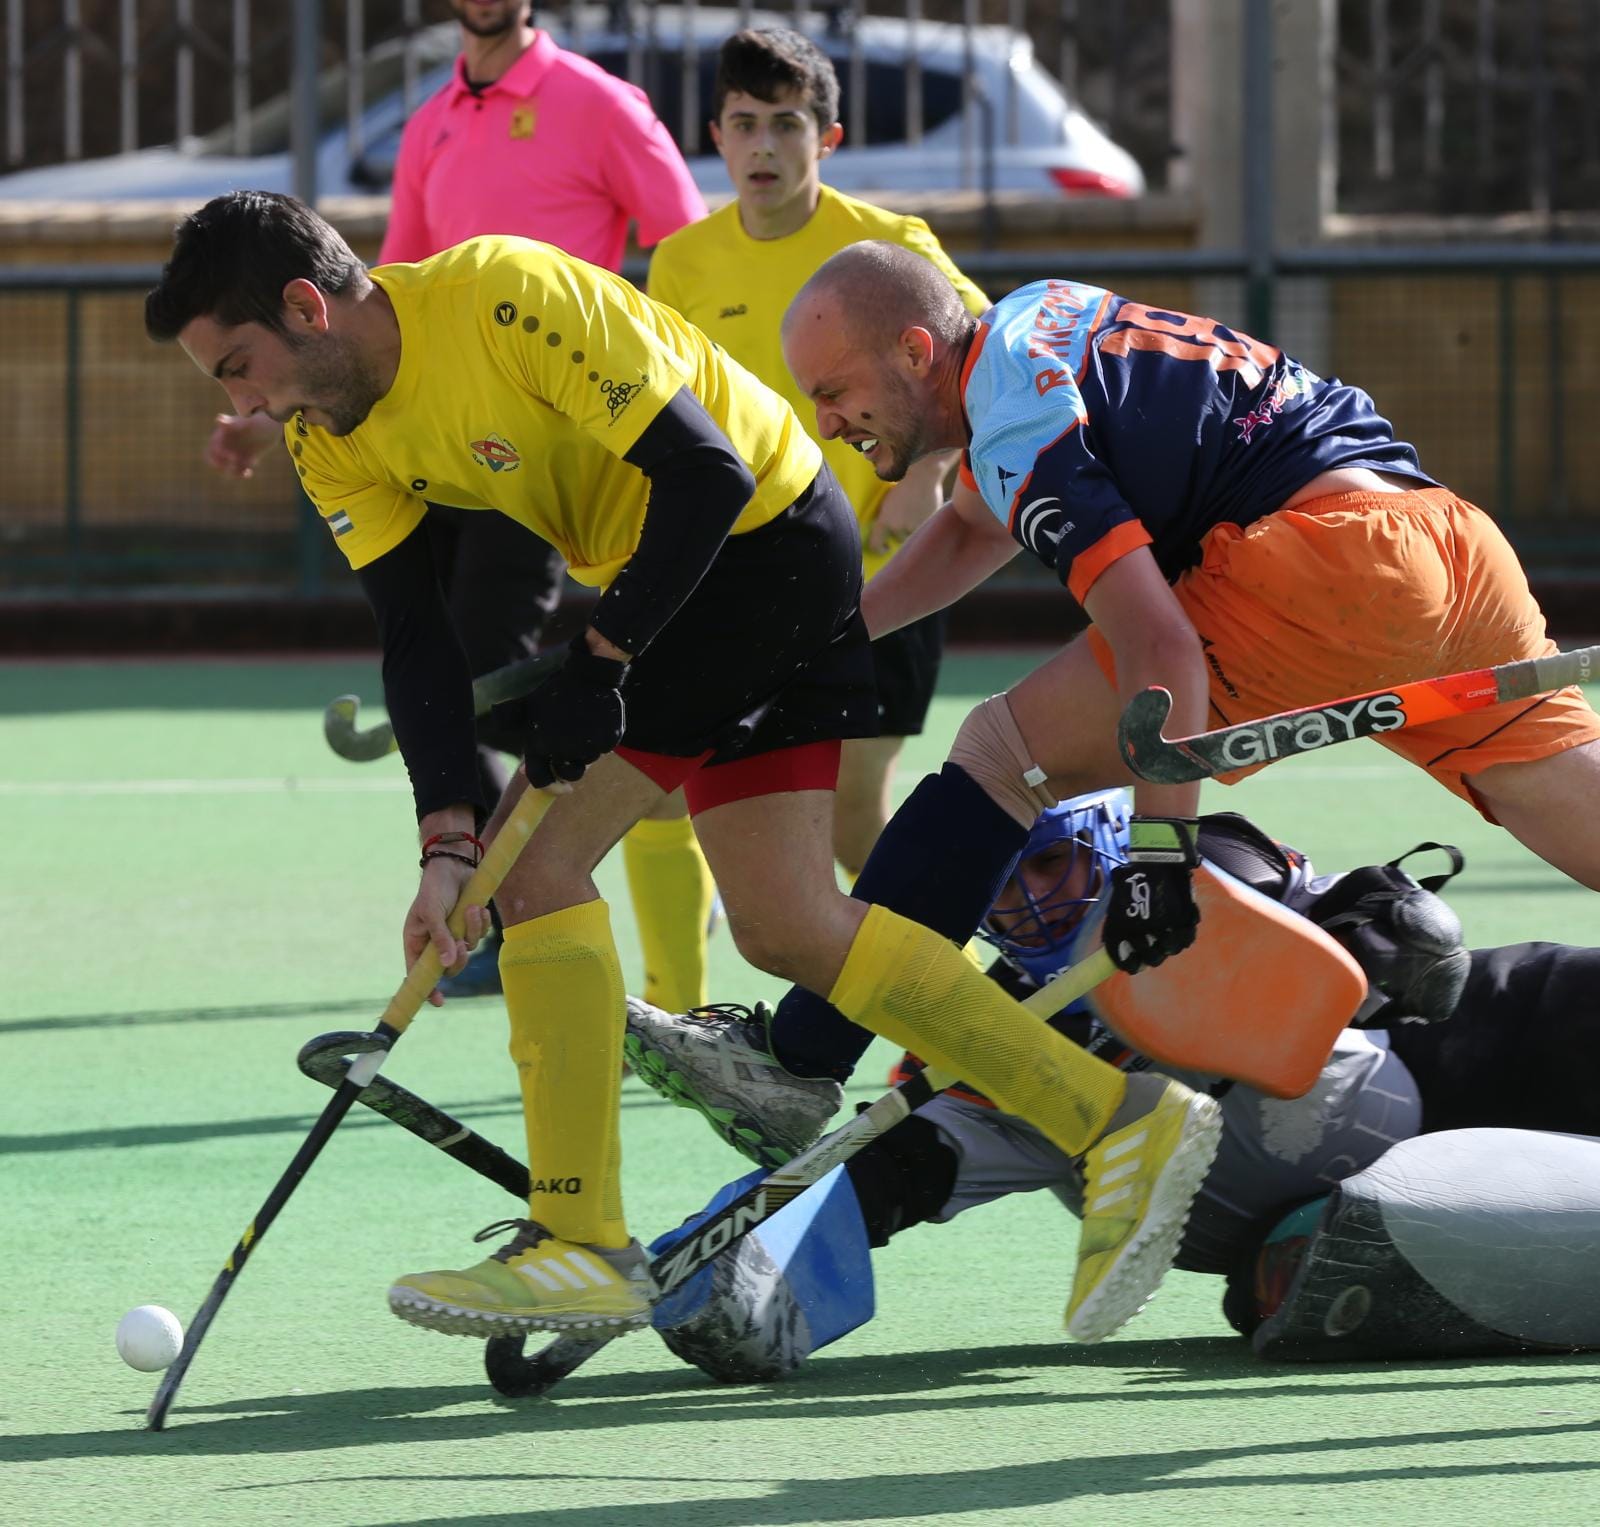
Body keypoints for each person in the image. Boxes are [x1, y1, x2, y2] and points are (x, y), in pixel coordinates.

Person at [145, 191, 1224, 1346]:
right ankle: (1115, 1118)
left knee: (539, 871)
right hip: (703, 577)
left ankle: (578, 1244)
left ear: (308, 306)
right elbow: (415, 642)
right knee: (790, 925)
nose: (246, 404)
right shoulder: (328, 437)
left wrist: (602, 661)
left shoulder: (502, 295)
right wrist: (441, 847)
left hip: (759, 545)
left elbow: (702, 473)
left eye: (240, 367)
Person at [617, 238, 1600, 1170]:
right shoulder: (1041, 320)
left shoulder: (1013, 425)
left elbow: (1159, 644)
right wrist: (818, 644)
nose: (828, 423)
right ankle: (798, 1055)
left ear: (916, 352)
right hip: (1446, 550)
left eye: (834, 392)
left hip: (1318, 571)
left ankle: (795, 1062)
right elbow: (969, 529)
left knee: (1002, 752)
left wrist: (1159, 855)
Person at [640, 796, 1600, 1382]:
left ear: (1105, 839)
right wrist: (755, 1267)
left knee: (1571, 996)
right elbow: (895, 1171)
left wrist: (1404, 928)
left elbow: (1394, 935)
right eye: (999, 884)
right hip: (1314, 1224)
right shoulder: (989, 1033)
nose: (1025, 901)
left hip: (1439, 1076)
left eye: (1049, 861)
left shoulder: (1209, 868)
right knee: (1337, 1256)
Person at [204, 0, 714, 1010]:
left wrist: (669, 407)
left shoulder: (601, 104)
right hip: (436, 439)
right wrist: (271, 412)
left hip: (548, 438)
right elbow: (372, 292)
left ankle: (509, 903)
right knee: (450, 661)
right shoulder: (432, 119)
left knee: (489, 660)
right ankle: (495, 883)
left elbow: (690, 259)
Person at [646, 27, 987, 877]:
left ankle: (993, 966)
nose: (765, 144)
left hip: (882, 565)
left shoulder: (890, 245)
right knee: (683, 795)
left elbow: (987, 365)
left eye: (788, 123)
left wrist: (929, 477)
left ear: (827, 138)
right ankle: (685, 996)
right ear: (716, 137)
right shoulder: (682, 262)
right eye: (746, 122)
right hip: (752, 576)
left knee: (854, 814)